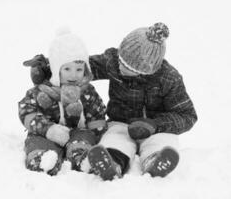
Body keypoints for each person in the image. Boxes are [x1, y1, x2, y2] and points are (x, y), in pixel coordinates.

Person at [27, 23, 198, 180]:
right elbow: (83, 67)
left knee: (162, 141)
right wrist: (48, 67)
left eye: (128, 67)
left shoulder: (169, 79)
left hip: (156, 128)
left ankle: (154, 161)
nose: (121, 66)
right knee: (114, 139)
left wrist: (155, 125)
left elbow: (187, 115)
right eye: (121, 60)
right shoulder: (114, 61)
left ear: (146, 71)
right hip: (120, 123)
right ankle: (112, 163)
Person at [18, 30, 107, 176]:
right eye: (67, 69)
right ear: (55, 69)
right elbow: (26, 111)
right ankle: (43, 159)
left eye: (79, 69)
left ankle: (82, 158)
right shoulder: (42, 91)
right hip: (47, 133)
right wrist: (48, 129)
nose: (73, 75)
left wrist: (97, 131)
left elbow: (97, 114)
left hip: (79, 132)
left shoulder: (87, 91)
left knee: (83, 140)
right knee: (37, 141)